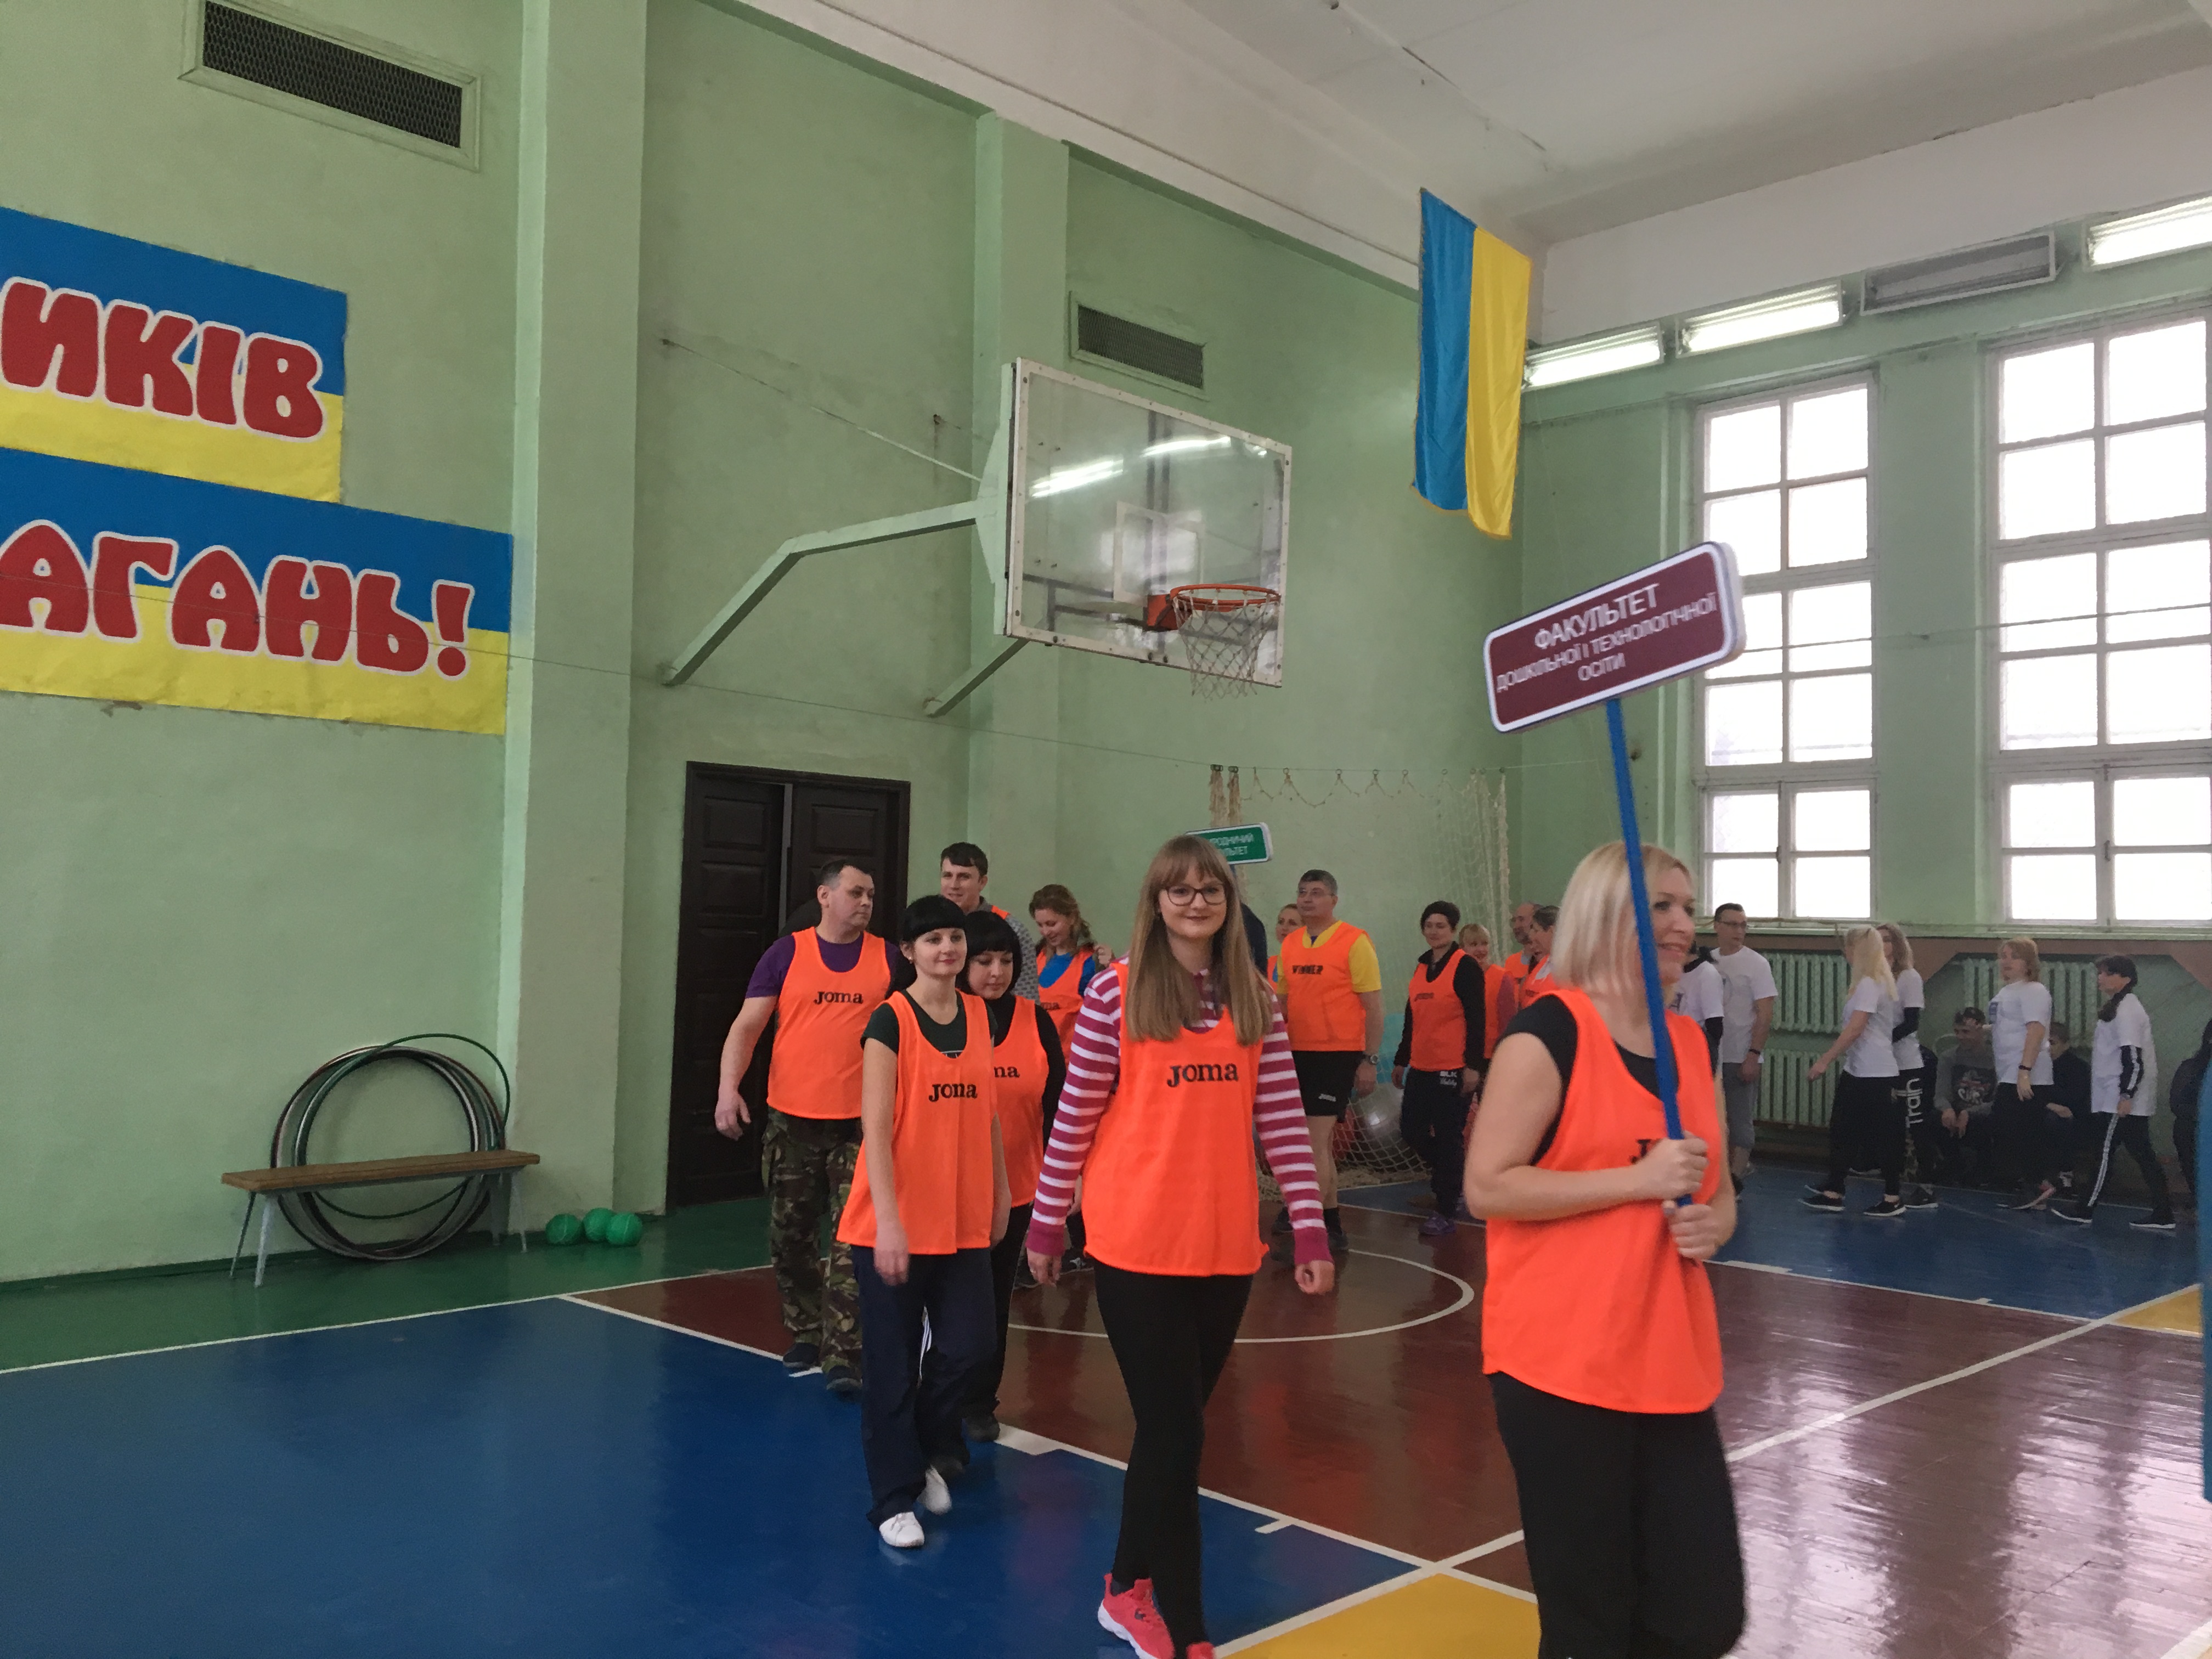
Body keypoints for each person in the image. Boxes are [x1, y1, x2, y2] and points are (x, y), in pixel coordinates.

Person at [1026, 835, 1334, 1659]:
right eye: (1180, 890)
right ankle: (1187, 1626)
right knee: (1178, 1434)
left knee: (1173, 1431)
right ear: (1156, 901)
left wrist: (1308, 1223)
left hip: (1225, 1245)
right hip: (1134, 1242)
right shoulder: (1114, 993)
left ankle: (1124, 1587)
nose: (1196, 903)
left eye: (1211, 891)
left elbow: (1282, 1119)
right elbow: (1075, 1113)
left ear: (1229, 904)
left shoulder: (1256, 998)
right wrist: (1048, 1220)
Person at [1465, 841, 1743, 1659]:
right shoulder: (1548, 1034)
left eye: (1687, 907)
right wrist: (1636, 1181)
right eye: (1661, 906)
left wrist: (1715, 1223)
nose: (1683, 923)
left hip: (1670, 1360)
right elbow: (1488, 1187)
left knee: (1701, 1614)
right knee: (1592, 1623)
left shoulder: (1690, 1043)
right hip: (1562, 1366)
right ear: (1605, 914)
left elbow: (1718, 1188)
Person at [837, 895, 1011, 1547]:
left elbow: (989, 1114)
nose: (948, 949)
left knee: (972, 1346)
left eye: (955, 938)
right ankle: (891, 1499)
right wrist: (889, 1223)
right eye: (934, 940)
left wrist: (1001, 1193)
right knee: (891, 1365)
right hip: (894, 1223)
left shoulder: (978, 1015)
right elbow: (876, 1131)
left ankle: (929, 1447)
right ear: (909, 951)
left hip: (961, 1220)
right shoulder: (889, 1021)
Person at [715, 859, 897, 1396]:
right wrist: (728, 1089)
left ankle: (844, 1353)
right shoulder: (786, 954)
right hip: (792, 1124)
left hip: (858, 1128)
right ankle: (807, 1329)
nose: (866, 903)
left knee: (850, 1243)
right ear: (825, 895)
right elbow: (747, 1027)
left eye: (871, 895)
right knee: (790, 1238)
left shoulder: (889, 959)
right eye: (856, 893)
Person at [928, 909, 1066, 1442]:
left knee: (992, 1303)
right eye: (984, 961)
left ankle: (980, 1402)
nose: (996, 972)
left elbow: (1058, 1106)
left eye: (1005, 961)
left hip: (1017, 1190)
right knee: (947, 1306)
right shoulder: (943, 1019)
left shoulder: (1035, 1021)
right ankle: (935, 1401)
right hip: (950, 1189)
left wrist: (1064, 1181)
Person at [1273, 869, 1384, 1255]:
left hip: (1336, 1054)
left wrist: (1369, 1060)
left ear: (1333, 901)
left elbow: (1374, 1008)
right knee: (1314, 1146)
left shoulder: (1354, 941)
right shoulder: (1290, 945)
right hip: (1297, 1052)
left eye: (1316, 893)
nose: (1307, 899)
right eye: (1302, 892)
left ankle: (1310, 1235)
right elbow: (1282, 1005)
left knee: (1312, 1144)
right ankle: (1332, 1225)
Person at [2053, 956, 2173, 1230]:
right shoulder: (2119, 1007)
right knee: (2143, 1154)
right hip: (2120, 1097)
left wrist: (2126, 1094)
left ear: (2125, 978)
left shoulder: (2128, 1011)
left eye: (2107, 974)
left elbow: (2133, 1058)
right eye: (2100, 973)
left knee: (2104, 1151)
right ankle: (2164, 1212)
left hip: (2120, 1099)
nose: (2101, 978)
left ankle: (2085, 1209)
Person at [1391, 900, 1486, 1238]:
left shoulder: (1465, 967)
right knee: (1411, 1131)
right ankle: (1453, 1178)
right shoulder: (1421, 968)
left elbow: (1477, 1019)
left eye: (1440, 926)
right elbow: (1411, 1019)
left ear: (1453, 930)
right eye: (1429, 926)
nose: (1434, 931)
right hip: (1421, 1066)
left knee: (1448, 1138)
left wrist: (1473, 1066)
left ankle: (1446, 1208)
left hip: (1453, 1068)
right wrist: (1401, 1059)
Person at [1802, 926, 1905, 1217]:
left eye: (1849, 947)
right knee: (1843, 1130)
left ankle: (1893, 1196)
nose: (1845, 952)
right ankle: (1834, 1191)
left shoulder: (1871, 984)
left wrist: (1825, 1060)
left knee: (1883, 1136)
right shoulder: (1870, 983)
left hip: (1876, 1072)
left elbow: (1856, 1028)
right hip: (1858, 1070)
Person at [1989, 938, 2062, 1210]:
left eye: (2014, 957)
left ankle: (2039, 1183)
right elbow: (2010, 1026)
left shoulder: (2034, 991)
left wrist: (2025, 1071)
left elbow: (2036, 1029)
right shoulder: (2007, 992)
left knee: (2022, 1130)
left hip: (2027, 1074)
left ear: (2029, 963)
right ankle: (2032, 1185)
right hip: (2009, 1071)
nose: (2006, 961)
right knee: (2009, 1129)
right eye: (2004, 956)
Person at [1709, 903, 1775, 1194]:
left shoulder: (1756, 964)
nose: (1739, 931)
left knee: (1739, 1122)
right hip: (1712, 1053)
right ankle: (1718, 1176)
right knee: (1714, 1120)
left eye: (1743, 925)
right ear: (1717, 926)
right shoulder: (1709, 962)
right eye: (1732, 924)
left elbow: (1765, 1012)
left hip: (1740, 1053)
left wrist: (1753, 1054)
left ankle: (1735, 1180)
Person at [1879, 922, 1938, 1209]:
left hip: (1906, 1063)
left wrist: (1882, 1040)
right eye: (1877, 940)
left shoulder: (1909, 977)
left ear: (1897, 945)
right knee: (1890, 1126)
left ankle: (1927, 1186)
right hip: (1882, 1064)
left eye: (1887, 940)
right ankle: (1892, 1182)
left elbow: (1911, 1022)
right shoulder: (1876, 977)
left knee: (1916, 1124)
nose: (1882, 945)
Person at [940, 840, 1040, 999]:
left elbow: (1026, 998)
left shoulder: (1012, 928)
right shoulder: (929, 928)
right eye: (947, 876)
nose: (954, 885)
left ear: (982, 882)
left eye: (964, 877)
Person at [1032, 883, 1104, 1050]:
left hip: (1072, 1059)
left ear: (1071, 918)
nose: (1046, 932)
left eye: (1051, 924)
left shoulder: (1090, 963)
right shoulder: (1036, 956)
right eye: (1040, 925)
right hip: (1038, 1058)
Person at [1934, 1008, 1999, 1186]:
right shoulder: (1948, 1057)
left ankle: (1984, 1168)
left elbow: (1999, 1100)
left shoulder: (1997, 1059)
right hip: (1956, 1110)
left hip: (1983, 1113)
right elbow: (1941, 1094)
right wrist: (1947, 1109)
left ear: (1981, 1032)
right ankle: (1953, 1163)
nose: (1960, 1037)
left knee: (1987, 1122)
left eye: (1966, 1032)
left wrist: (1970, 1112)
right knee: (1934, 1118)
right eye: (1957, 1032)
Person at [2047, 1020, 2094, 1197]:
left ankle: (2066, 1174)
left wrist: (2048, 1103)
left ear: (2065, 1045)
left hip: (2076, 1118)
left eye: (2052, 1043)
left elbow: (2073, 1100)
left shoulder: (2078, 1068)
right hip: (2046, 1111)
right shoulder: (2036, 1065)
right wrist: (2048, 1104)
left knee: (2057, 1121)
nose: (2048, 1048)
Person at [2171, 1018, 2211, 1204]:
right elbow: (2177, 1104)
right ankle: (2200, 1197)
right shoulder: (2192, 1068)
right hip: (2196, 1125)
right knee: (2184, 1129)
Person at [1460, 921, 1510, 1066]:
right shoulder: (1456, 978)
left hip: (1491, 1054)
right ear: (1462, 948)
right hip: (1459, 1053)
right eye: (1474, 944)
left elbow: (1507, 1021)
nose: (1481, 950)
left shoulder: (1502, 977)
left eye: (1485, 944)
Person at [1669, 945, 1725, 1072]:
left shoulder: (1707, 974)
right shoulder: (1675, 972)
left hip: (1694, 1053)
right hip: (1673, 1049)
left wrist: (1707, 1061)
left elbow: (1715, 1026)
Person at [1268, 903, 1299, 984]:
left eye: (1292, 923)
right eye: (1281, 922)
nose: (1284, 928)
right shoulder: (1269, 963)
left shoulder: (1310, 965)